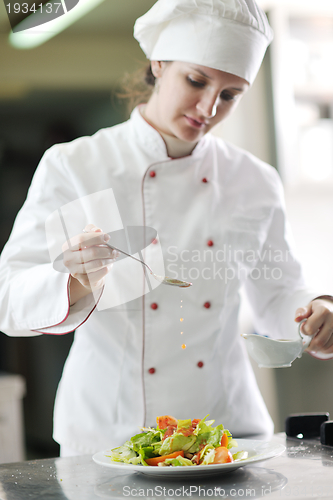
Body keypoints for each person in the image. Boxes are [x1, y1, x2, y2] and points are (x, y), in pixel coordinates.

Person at [0, 0, 333, 457]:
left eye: (231, 94)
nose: (208, 107)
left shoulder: (254, 180)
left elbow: (278, 295)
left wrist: (317, 310)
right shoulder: (76, 164)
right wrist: (73, 282)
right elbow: (9, 299)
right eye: (196, 80)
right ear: (158, 63)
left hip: (226, 434)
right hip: (109, 435)